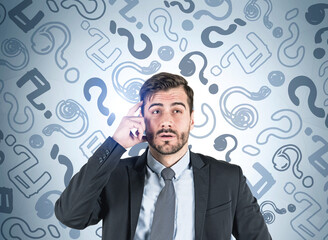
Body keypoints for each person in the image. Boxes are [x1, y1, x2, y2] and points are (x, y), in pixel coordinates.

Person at [55, 72, 272, 240]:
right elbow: (70, 215)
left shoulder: (228, 178)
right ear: (141, 118)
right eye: (156, 111)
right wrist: (115, 144)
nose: (166, 121)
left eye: (177, 111)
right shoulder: (114, 175)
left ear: (192, 119)